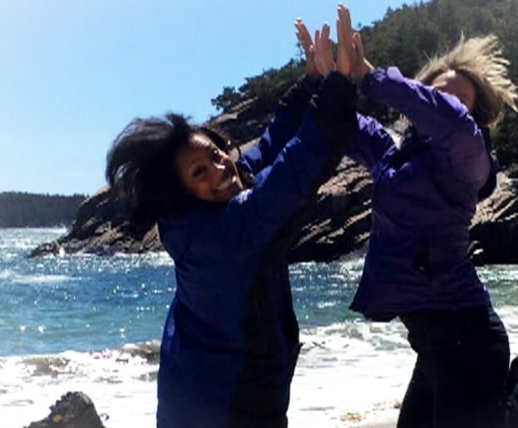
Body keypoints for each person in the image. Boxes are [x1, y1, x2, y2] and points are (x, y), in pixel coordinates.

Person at [329, 4, 518, 427]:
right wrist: (326, 82)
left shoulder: (469, 154)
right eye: (437, 91)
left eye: (459, 99)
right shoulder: (395, 158)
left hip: (466, 335)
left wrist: (370, 77)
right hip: (430, 344)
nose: (448, 102)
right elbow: (344, 126)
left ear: (473, 114)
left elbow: (446, 120)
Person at [105, 20, 357, 427]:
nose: (221, 169)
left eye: (216, 156)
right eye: (199, 173)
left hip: (229, 398)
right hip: (223, 411)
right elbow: (290, 177)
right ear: (183, 193)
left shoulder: (216, 198)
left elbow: (271, 149)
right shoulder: (218, 236)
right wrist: (339, 87)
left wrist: (311, 84)